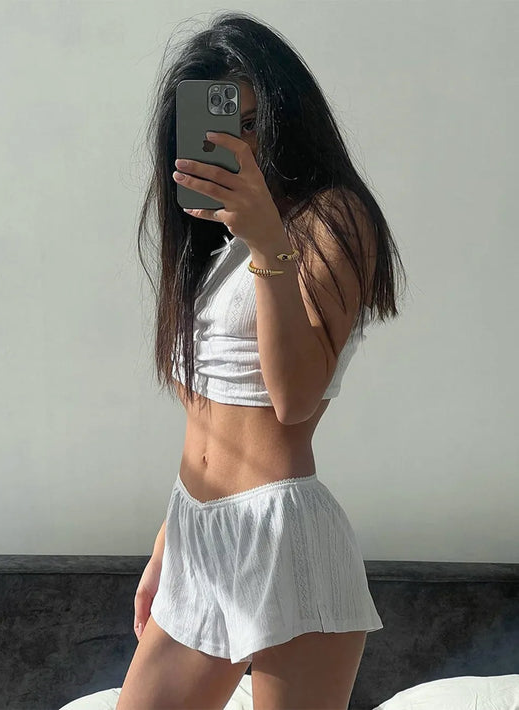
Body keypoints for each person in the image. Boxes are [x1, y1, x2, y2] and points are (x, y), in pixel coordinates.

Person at [117, 10, 407, 710]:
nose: (238, 145)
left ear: (286, 117)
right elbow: (208, 420)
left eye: (252, 123)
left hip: (284, 541)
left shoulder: (332, 219)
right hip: (199, 535)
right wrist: (169, 544)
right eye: (220, 126)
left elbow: (294, 399)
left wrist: (268, 242)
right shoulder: (216, 245)